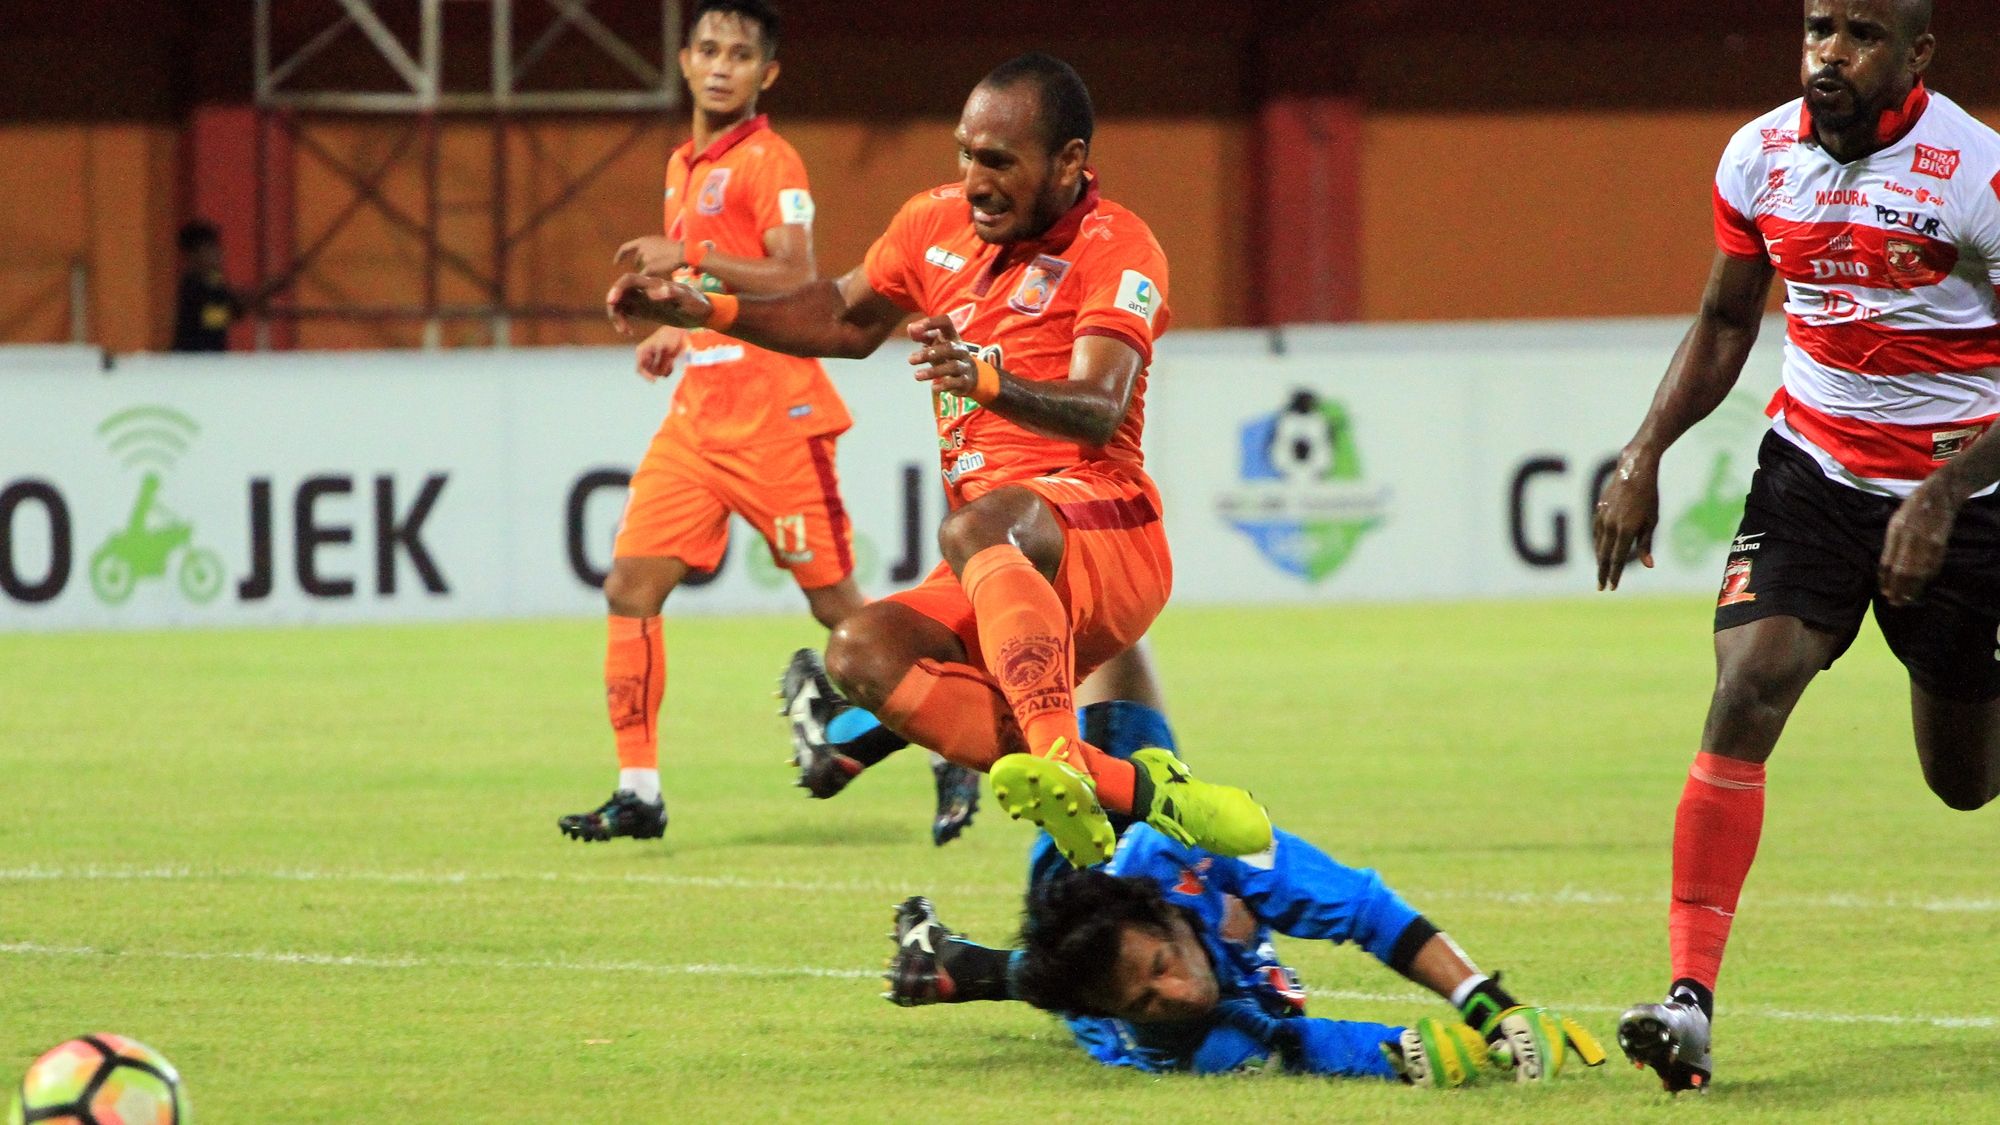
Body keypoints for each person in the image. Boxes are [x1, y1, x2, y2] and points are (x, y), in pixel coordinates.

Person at [607, 52, 1270, 866]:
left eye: (999, 161)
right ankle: (1141, 790)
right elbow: (840, 317)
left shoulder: (1119, 247)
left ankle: (1061, 759)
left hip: (1106, 534)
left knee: (975, 525)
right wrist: (705, 307)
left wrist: (987, 380)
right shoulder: (933, 222)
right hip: (999, 566)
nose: (974, 181)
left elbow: (1100, 406)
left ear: (1069, 162)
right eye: (965, 153)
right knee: (860, 653)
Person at [1592, 0, 2000, 1093]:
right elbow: (1729, 319)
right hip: (1813, 473)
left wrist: (1943, 493)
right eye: (1819, 28)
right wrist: (1644, 451)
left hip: (1963, 497)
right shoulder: (1757, 154)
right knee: (1747, 685)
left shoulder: (1978, 174)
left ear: (1916, 54)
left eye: (1861, 35)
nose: (1830, 53)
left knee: (1963, 781)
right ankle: (1688, 1003)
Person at [560, 0, 981, 844]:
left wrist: (688, 256)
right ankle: (638, 790)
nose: (722, 66)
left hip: (776, 416)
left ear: (768, 73)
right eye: (709, 50)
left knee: (841, 609)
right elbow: (718, 292)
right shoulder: (684, 165)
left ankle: (951, 742)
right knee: (630, 587)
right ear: (685, 60)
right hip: (699, 418)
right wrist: (677, 327)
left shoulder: (770, 160)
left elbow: (795, 273)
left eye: (741, 54)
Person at [880, 843, 1605, 1084]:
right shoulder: (1170, 1037)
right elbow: (1291, 1045)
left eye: (1164, 963)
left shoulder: (1184, 845)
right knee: (1273, 1003)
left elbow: (1362, 907)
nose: (1178, 993)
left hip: (1108, 854)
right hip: (1078, 923)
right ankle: (960, 966)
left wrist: (1488, 1002)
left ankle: (948, 963)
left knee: (1120, 700)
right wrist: (1411, 1052)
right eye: (1147, 998)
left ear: (1167, 914)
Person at [170, 220, 242, 352]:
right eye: (210, 248)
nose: (218, 253)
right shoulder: (192, 285)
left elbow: (235, 305)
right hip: (192, 359)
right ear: (193, 255)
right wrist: (257, 298)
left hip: (213, 357)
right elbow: (217, 317)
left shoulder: (215, 281)